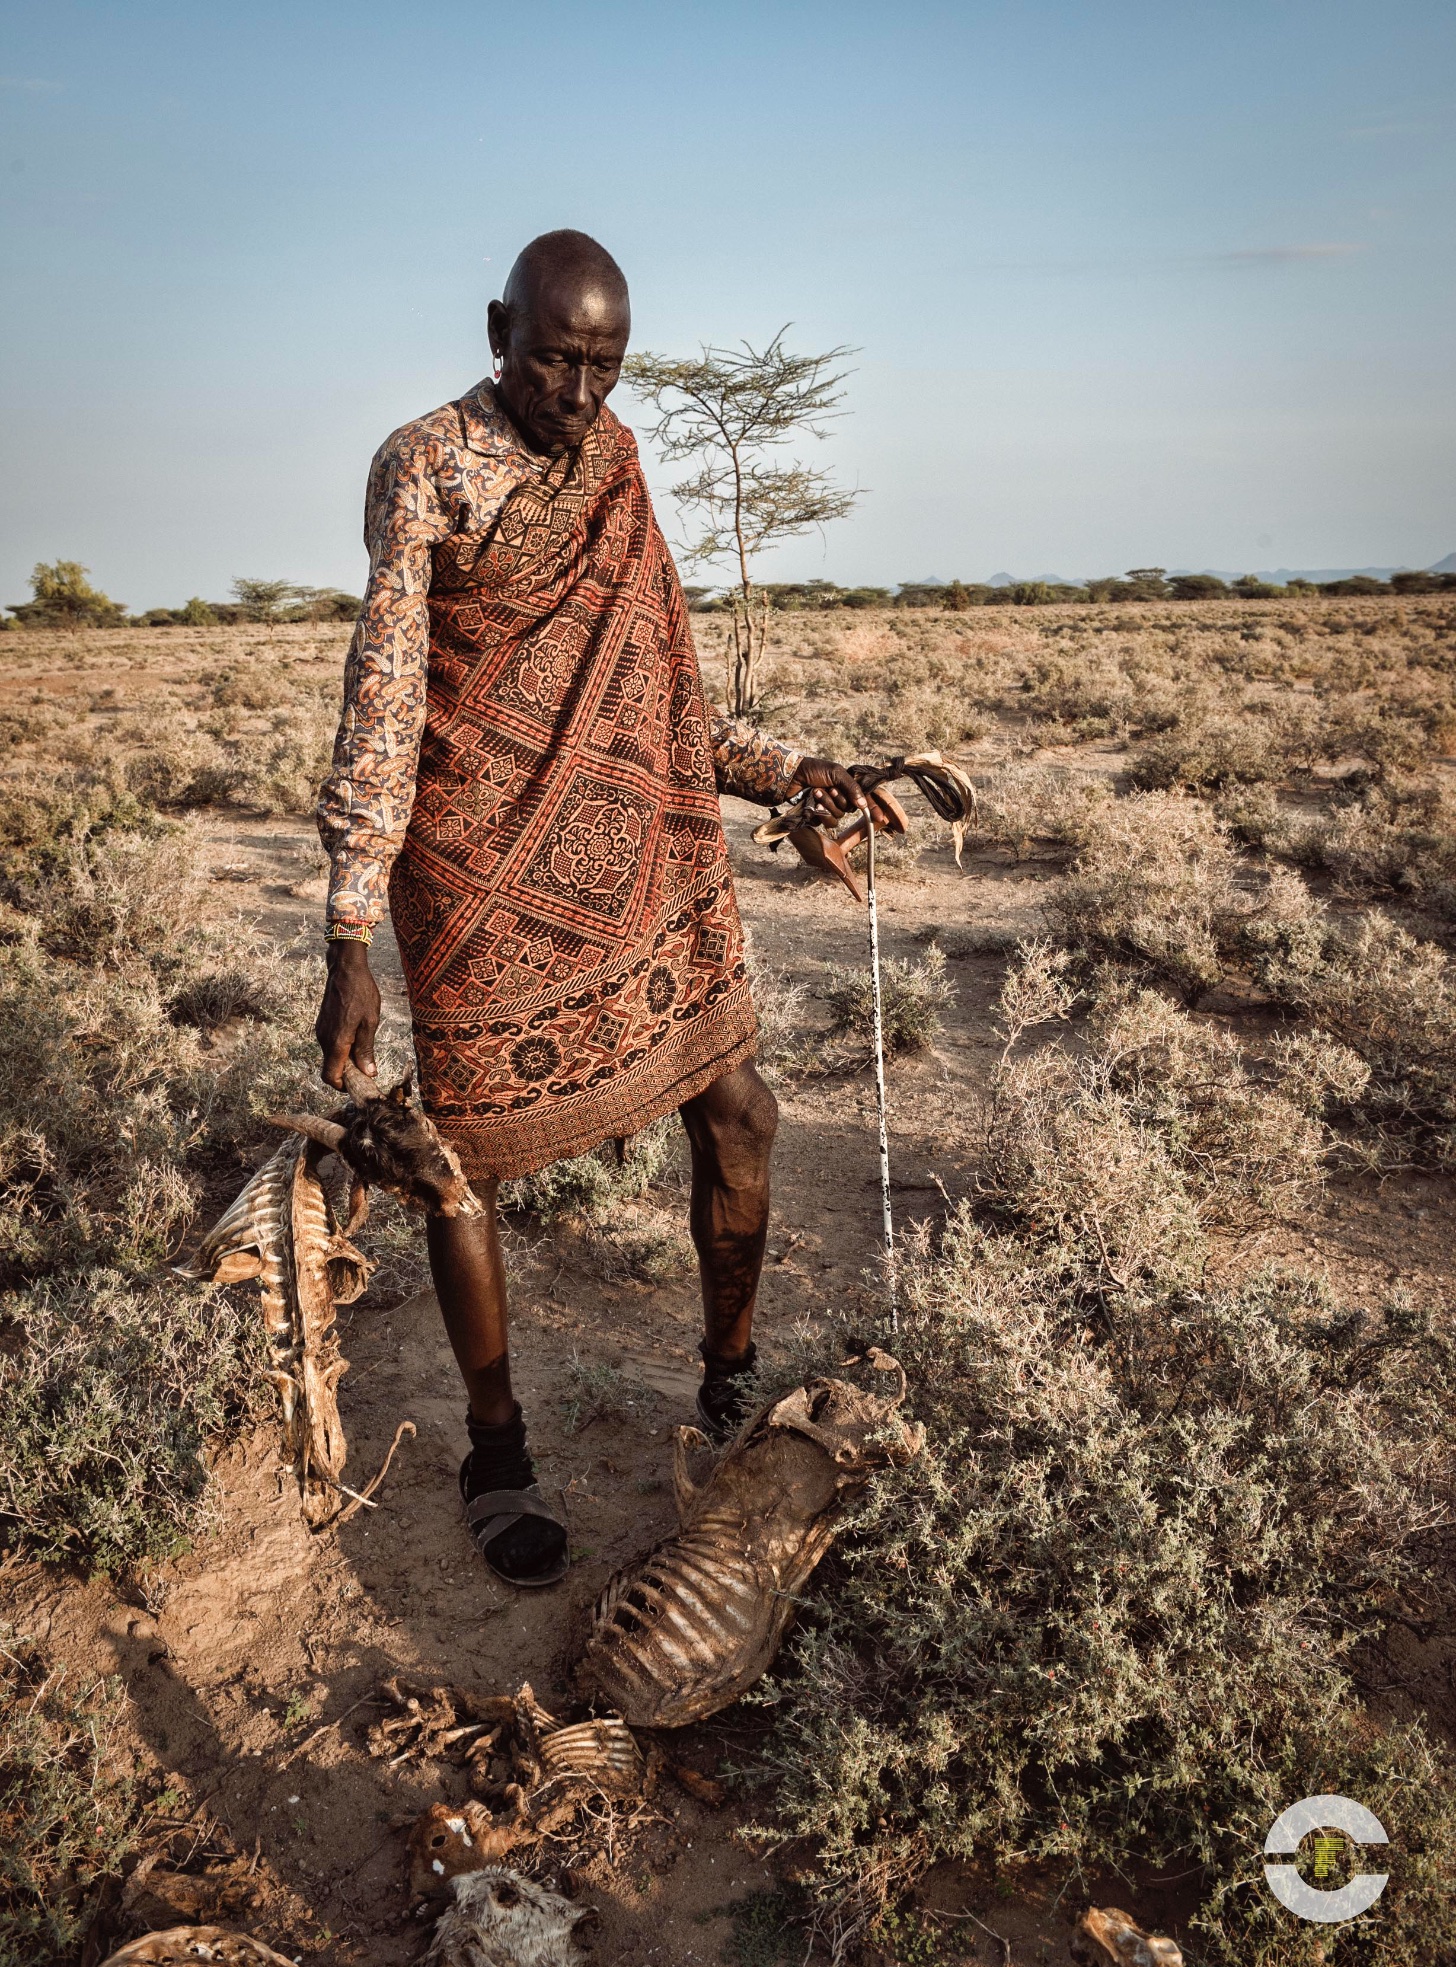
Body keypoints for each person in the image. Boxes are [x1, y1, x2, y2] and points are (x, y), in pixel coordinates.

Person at [314, 230, 872, 1588]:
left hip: (637, 843)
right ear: (499, 325)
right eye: (556, 356)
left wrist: (787, 776)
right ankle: (496, 1450)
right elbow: (384, 689)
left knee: (740, 1106)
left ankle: (728, 1382)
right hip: (468, 853)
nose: (578, 390)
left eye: (605, 364)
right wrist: (347, 934)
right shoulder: (425, 463)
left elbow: (666, 683)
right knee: (463, 1165)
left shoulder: (614, 459)